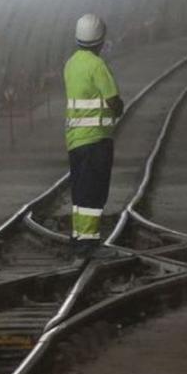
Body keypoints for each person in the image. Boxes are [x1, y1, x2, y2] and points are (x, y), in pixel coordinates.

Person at [63, 14, 124, 260]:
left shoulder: (71, 64)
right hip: (96, 139)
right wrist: (118, 108)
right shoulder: (97, 66)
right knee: (93, 191)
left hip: (75, 139)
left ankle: (79, 237)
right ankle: (88, 245)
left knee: (80, 191)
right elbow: (113, 101)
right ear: (100, 40)